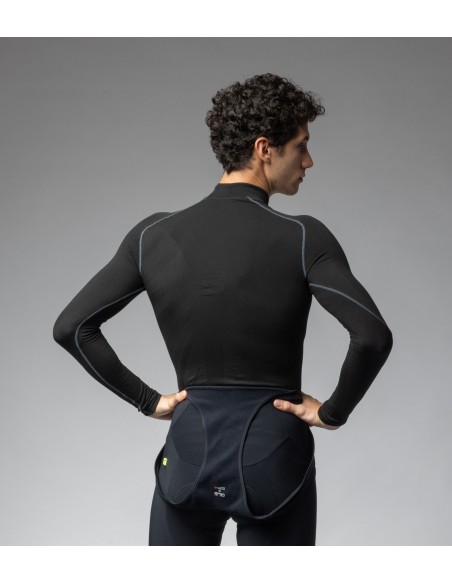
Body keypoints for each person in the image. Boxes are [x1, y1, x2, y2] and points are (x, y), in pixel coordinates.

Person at [53, 73, 393, 546]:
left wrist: (148, 400)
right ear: (264, 148)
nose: (308, 161)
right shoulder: (303, 237)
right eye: (301, 146)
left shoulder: (154, 235)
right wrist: (333, 413)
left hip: (189, 453)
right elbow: (372, 336)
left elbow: (72, 328)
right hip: (274, 456)